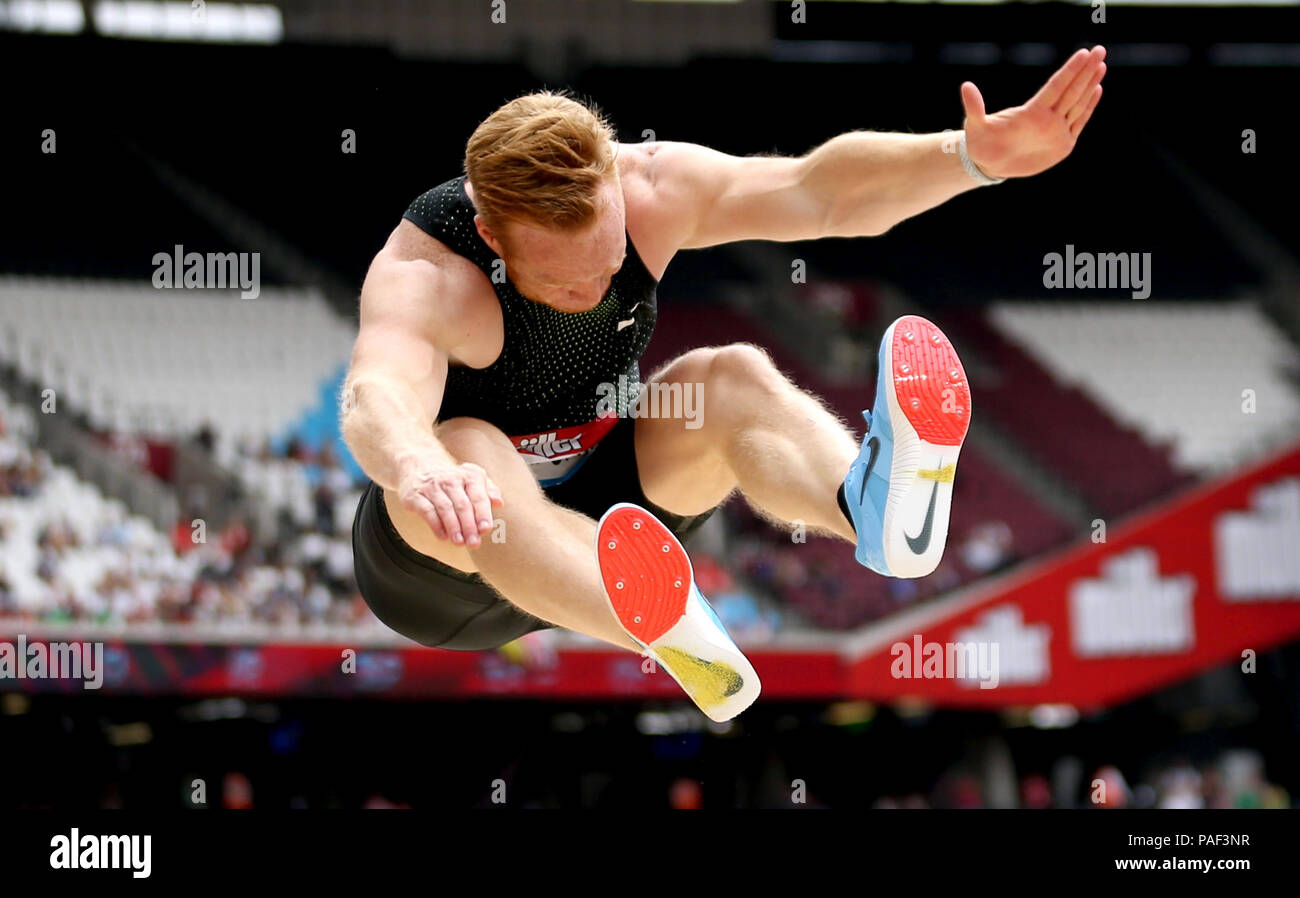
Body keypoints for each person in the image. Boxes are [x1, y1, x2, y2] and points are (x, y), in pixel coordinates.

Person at [343, 47, 1108, 720]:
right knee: (468, 444)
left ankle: (872, 512)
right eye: (565, 284)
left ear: (616, 186)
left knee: (728, 376)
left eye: (608, 264)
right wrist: (418, 466)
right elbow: (378, 394)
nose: (596, 289)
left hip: (618, 523)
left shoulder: (652, 187)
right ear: (491, 235)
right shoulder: (429, 272)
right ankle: (659, 627)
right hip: (449, 562)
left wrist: (969, 158)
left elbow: (820, 192)